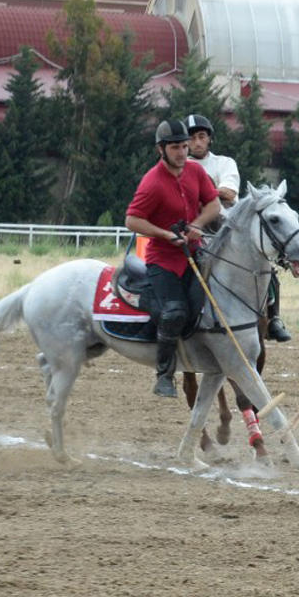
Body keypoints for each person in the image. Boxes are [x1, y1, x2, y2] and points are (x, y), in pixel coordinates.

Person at [125, 119, 221, 398]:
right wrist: (165, 235)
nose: (182, 152)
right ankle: (164, 374)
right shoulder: (151, 182)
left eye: (184, 146)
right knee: (174, 311)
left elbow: (213, 204)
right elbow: (132, 220)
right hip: (163, 260)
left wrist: (198, 225)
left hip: (195, 252)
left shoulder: (195, 171)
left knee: (209, 306)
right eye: (176, 147)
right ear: (161, 150)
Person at [185, 113, 292, 343]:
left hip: (225, 232)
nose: (197, 142)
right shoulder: (178, 165)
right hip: (190, 232)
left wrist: (196, 190)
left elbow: (229, 195)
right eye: (191, 138)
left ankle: (274, 317)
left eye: (201, 136)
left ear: (209, 139)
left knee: (265, 264)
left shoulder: (224, 163)